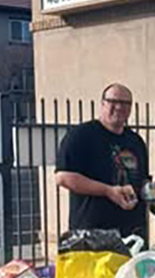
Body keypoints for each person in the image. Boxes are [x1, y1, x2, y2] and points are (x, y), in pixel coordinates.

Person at [55, 83, 149, 238]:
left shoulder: (136, 141)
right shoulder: (81, 136)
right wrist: (108, 191)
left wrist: (148, 189)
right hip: (92, 234)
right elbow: (63, 177)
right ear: (102, 103)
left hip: (132, 234)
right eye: (113, 101)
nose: (119, 107)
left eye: (125, 103)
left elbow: (141, 179)